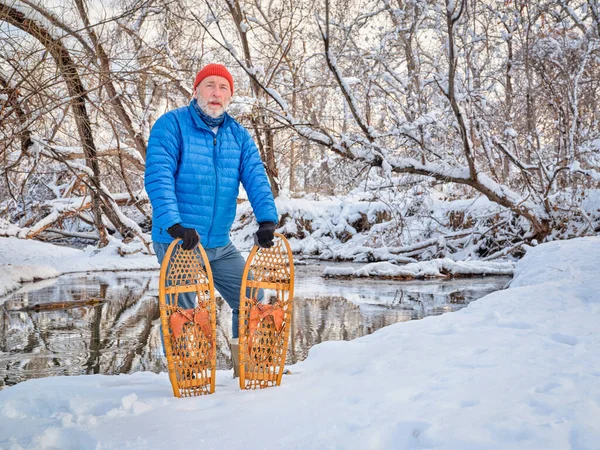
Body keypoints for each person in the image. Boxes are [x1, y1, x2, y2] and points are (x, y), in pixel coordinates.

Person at [144, 63, 278, 377]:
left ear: (230, 96)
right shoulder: (172, 125)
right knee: (185, 309)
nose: (216, 93)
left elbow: (256, 176)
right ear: (196, 90)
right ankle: (186, 373)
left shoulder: (238, 136)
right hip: (180, 241)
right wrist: (174, 224)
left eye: (223, 88)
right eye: (210, 85)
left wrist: (267, 220)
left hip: (218, 242)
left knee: (251, 299)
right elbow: (158, 176)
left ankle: (245, 364)